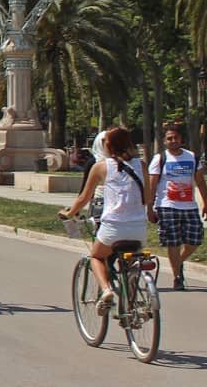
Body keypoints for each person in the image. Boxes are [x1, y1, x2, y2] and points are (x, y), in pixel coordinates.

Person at [59, 126, 156, 314]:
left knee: (96, 256)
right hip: (138, 228)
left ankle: (106, 291)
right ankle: (132, 302)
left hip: (113, 227)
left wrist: (69, 213)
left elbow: (83, 198)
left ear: (108, 145)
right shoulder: (142, 165)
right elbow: (147, 197)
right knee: (131, 263)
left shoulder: (101, 166)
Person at [148, 123, 207, 290]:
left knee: (194, 240)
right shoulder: (160, 159)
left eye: (176, 138)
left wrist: (206, 203)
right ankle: (177, 277)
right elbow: (152, 186)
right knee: (173, 242)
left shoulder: (191, 157)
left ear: (181, 139)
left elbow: (200, 181)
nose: (173, 141)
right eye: (169, 138)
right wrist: (149, 208)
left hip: (189, 206)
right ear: (164, 141)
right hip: (166, 205)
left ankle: (178, 263)